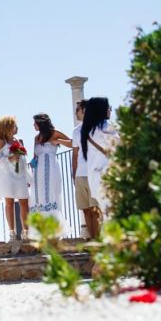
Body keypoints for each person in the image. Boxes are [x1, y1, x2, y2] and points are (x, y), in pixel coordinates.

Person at [29, 113, 72, 236]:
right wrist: (29, 175)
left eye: (35, 123)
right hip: (38, 173)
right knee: (38, 198)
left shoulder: (55, 133)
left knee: (51, 196)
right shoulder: (36, 138)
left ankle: (53, 230)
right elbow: (35, 157)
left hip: (51, 170)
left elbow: (72, 143)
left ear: (40, 123)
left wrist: (57, 141)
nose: (33, 125)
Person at [0, 115, 30, 240]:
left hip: (20, 175)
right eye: (14, 125)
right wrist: (10, 158)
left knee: (24, 202)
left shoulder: (20, 140)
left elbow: (25, 158)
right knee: (9, 202)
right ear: (8, 127)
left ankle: (26, 231)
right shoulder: (0, 141)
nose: (16, 127)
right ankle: (12, 232)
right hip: (7, 175)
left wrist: (28, 176)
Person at [81, 97, 119, 220]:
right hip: (108, 174)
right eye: (109, 108)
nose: (110, 111)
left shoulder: (88, 130)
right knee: (114, 215)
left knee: (106, 214)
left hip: (94, 177)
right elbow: (119, 145)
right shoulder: (106, 126)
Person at [71, 99, 102, 239]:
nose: (75, 112)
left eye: (77, 109)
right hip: (80, 175)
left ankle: (98, 240)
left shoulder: (98, 128)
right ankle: (92, 239)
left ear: (84, 110)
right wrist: (74, 174)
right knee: (85, 210)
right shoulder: (76, 131)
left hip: (94, 173)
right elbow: (75, 154)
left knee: (95, 210)